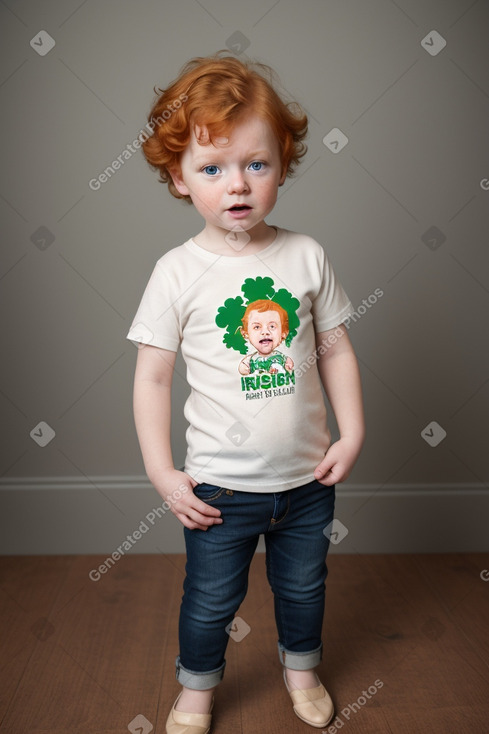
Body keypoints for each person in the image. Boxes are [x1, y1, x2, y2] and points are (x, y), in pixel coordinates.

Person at [127, 52, 365, 734]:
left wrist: (351, 433)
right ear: (178, 178)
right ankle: (196, 692)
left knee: (301, 588)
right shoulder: (176, 273)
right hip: (218, 492)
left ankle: (301, 670)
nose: (237, 185)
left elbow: (336, 349)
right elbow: (151, 377)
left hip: (305, 480)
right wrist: (161, 471)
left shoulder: (304, 256)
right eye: (212, 169)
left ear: (281, 166)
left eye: (255, 164)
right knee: (208, 601)